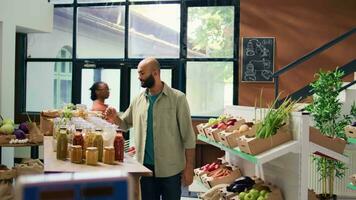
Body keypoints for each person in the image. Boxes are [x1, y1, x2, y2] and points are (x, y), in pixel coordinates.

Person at [105, 57, 196, 200]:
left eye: (142, 73)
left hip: (171, 171)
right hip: (145, 170)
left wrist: (189, 167)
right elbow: (124, 124)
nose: (139, 77)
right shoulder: (137, 100)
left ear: (155, 73)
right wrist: (114, 117)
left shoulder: (178, 98)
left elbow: (188, 137)